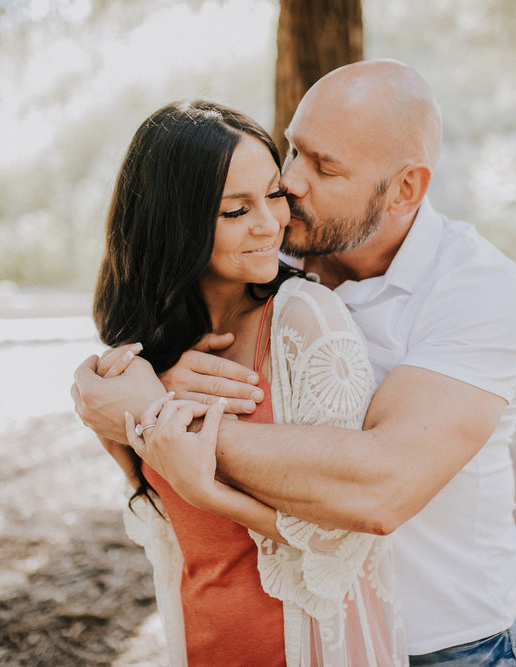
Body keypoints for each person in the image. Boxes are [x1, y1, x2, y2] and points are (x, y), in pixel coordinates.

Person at [74, 60, 516, 665]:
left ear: (405, 188)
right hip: (306, 638)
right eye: (294, 148)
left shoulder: (477, 290)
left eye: (325, 167)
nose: (289, 181)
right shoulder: (273, 263)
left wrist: (159, 418)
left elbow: (378, 489)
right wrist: (143, 383)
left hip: (447, 645)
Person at [87, 99, 406, 666]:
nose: (270, 224)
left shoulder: (306, 321)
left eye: (274, 195)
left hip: (303, 648)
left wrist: (207, 489)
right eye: (236, 210)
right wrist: (126, 396)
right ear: (173, 221)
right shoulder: (154, 347)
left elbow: (348, 540)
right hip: (202, 638)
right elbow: (160, 511)